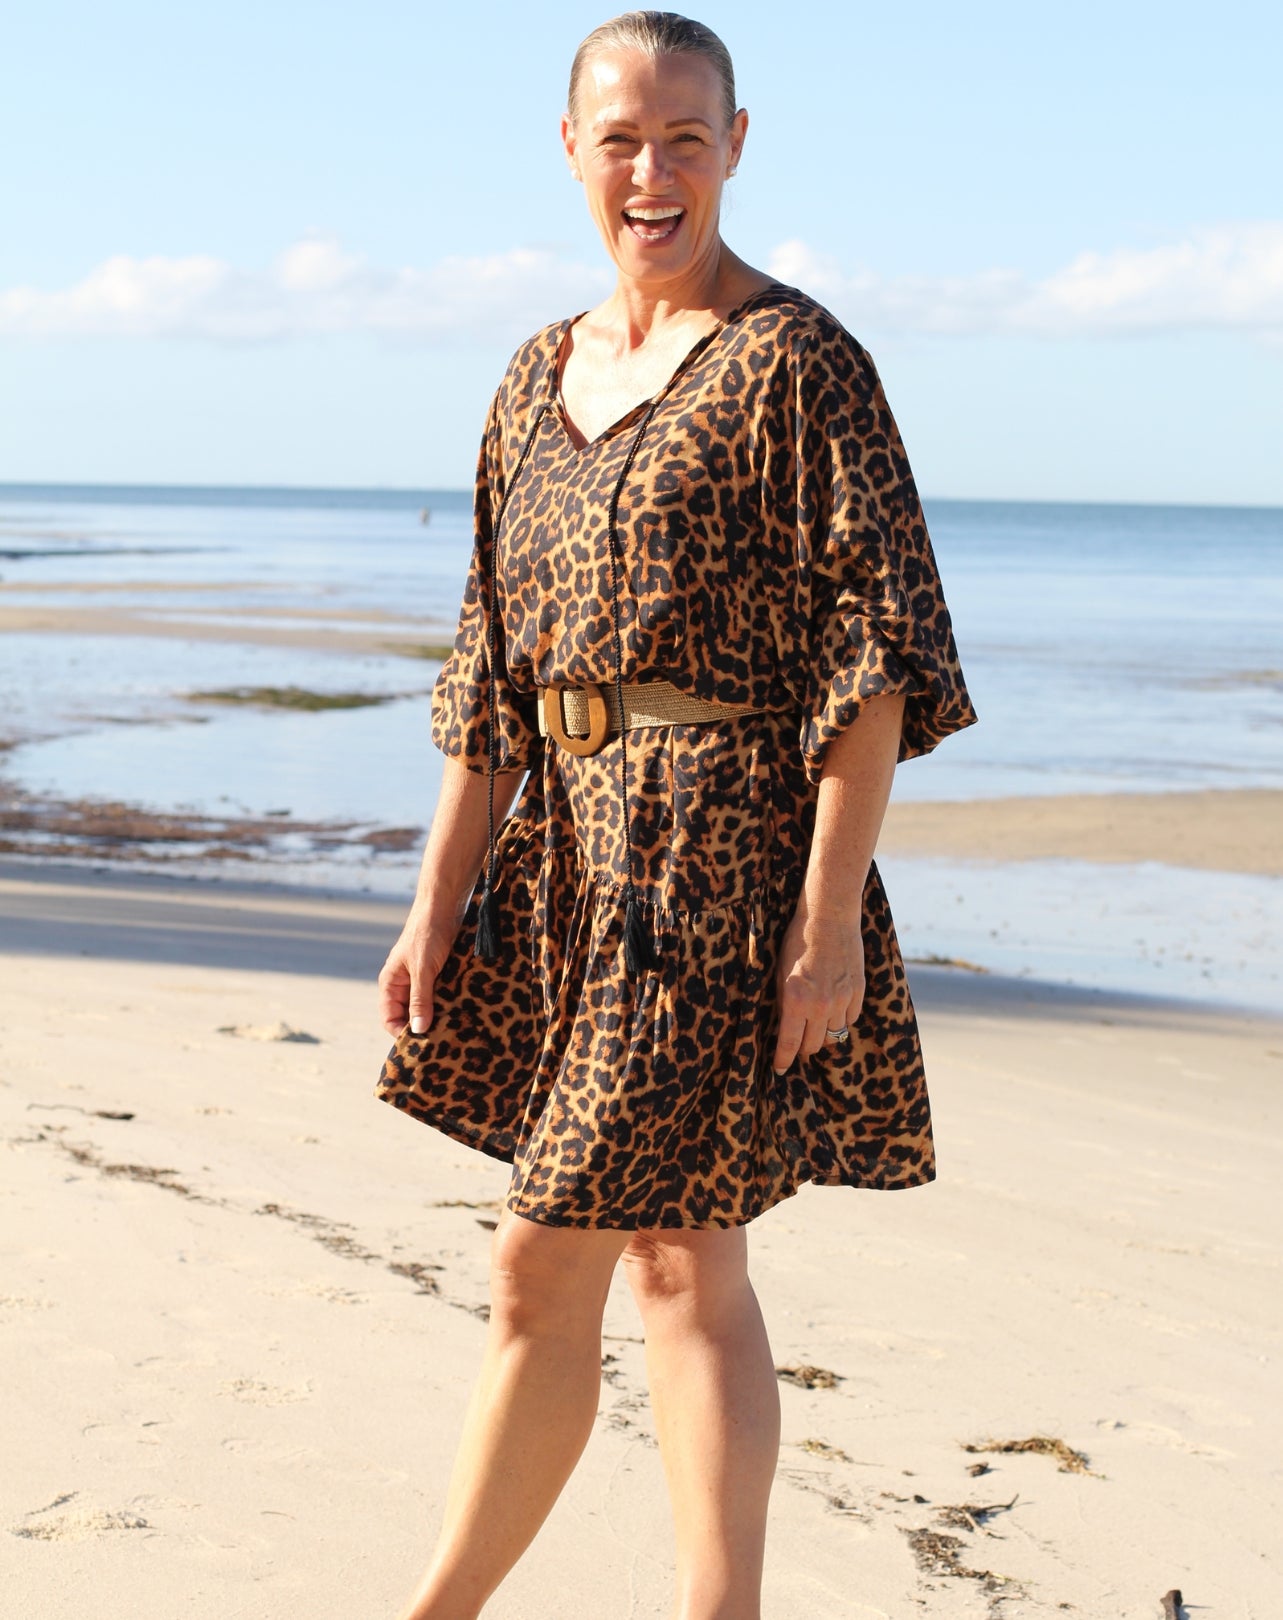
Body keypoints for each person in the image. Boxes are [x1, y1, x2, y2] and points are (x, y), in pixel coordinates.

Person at [375, 11, 977, 1617]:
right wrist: (436, 896)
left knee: (550, 1256)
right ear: (569, 146)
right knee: (681, 1256)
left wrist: (828, 912)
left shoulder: (798, 364)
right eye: (622, 137)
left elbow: (877, 661)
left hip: (719, 856)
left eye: (686, 138)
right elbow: (488, 663)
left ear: (737, 144)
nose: (654, 171)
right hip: (565, 856)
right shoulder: (529, 378)